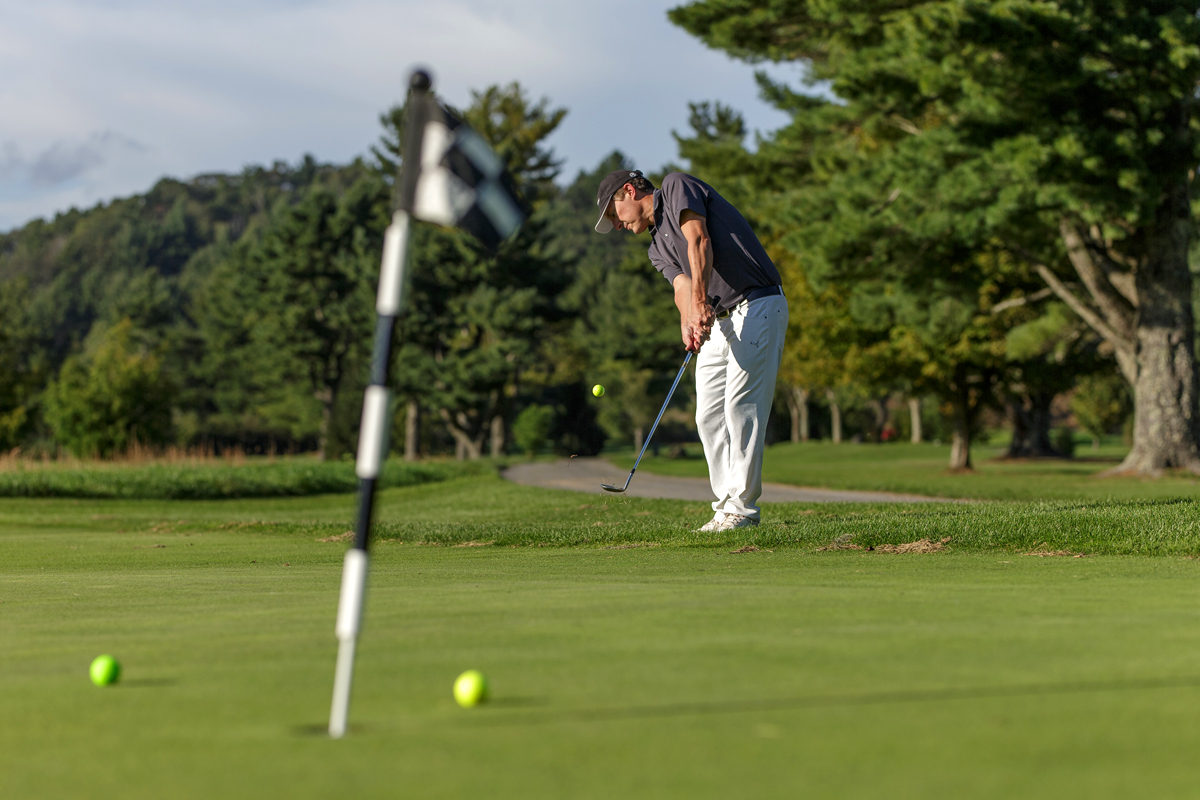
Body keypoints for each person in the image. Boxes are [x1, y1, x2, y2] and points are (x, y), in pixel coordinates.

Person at [594, 169, 787, 531]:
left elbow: (698, 239)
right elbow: (681, 286)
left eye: (613, 214)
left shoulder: (676, 187)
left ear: (630, 191)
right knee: (708, 416)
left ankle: (743, 511)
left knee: (739, 407)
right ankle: (725, 508)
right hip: (719, 320)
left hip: (757, 304)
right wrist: (688, 320)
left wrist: (699, 302)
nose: (616, 226)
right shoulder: (655, 249)